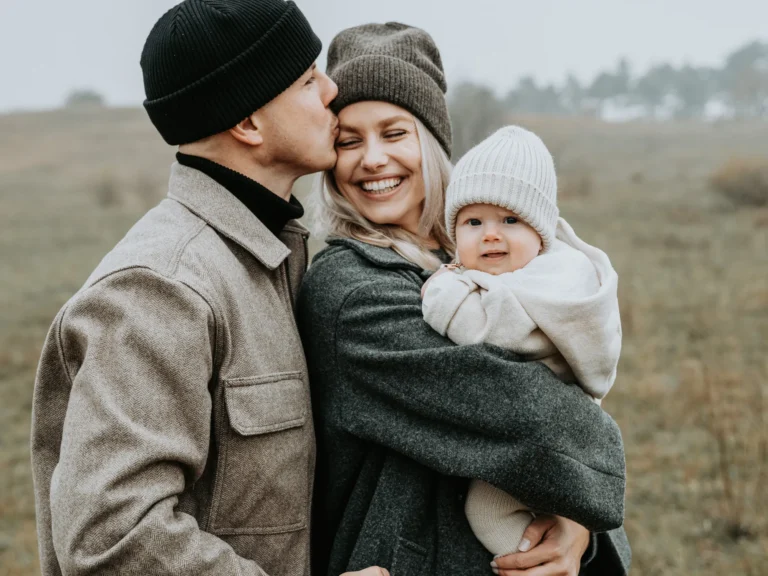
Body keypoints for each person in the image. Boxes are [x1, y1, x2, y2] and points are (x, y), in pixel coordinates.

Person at [30, 2, 384, 575]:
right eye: (307, 79)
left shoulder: (271, 255)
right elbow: (112, 536)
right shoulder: (159, 289)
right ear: (248, 123)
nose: (331, 90)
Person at [298, 22, 631, 576]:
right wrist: (584, 480)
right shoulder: (350, 291)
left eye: (394, 132)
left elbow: (562, 377)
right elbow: (530, 415)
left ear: (431, 141)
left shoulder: (485, 249)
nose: (372, 159)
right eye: (349, 140)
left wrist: (574, 524)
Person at [420, 126, 622, 558]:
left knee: (489, 511)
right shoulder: (541, 269)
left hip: (544, 434)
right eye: (473, 223)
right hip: (551, 430)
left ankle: (526, 564)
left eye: (510, 220)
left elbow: (490, 331)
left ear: (541, 230)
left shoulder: (554, 283)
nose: (491, 234)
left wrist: (442, 291)